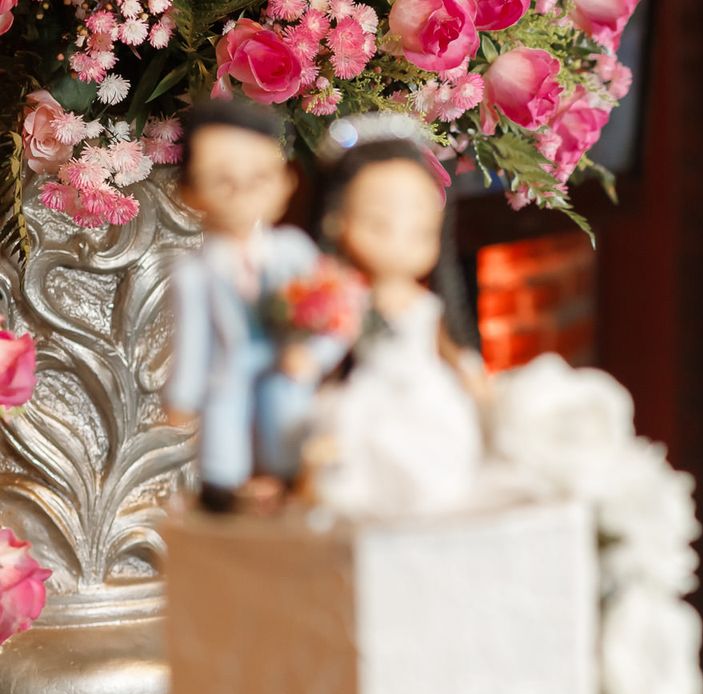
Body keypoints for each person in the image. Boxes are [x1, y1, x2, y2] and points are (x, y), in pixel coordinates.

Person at [294, 115, 489, 517]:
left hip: (427, 393)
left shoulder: (425, 304)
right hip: (371, 394)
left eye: (420, 230)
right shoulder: (350, 296)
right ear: (337, 221)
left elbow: (448, 347)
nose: (401, 241)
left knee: (442, 448)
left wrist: (472, 374)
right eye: (380, 224)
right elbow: (331, 344)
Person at [164, 99, 331, 514]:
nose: (241, 193)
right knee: (223, 456)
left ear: (284, 182)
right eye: (222, 180)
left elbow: (334, 314)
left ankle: (289, 488)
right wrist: (182, 398)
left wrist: (312, 356)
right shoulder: (196, 271)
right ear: (189, 191)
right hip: (227, 381)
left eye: (259, 178)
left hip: (286, 375)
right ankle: (226, 497)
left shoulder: (294, 253)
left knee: (289, 442)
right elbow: (193, 340)